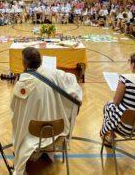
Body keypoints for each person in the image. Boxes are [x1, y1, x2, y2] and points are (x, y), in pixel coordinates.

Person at [10, 47, 82, 175]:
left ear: (25, 63)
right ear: (40, 61)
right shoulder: (55, 74)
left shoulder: (22, 85)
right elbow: (72, 80)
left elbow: (15, 113)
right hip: (57, 132)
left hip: (32, 137)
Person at [100, 53, 135, 141]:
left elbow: (116, 101)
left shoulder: (125, 78)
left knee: (109, 105)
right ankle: (110, 133)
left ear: (133, 65)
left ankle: (109, 134)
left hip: (125, 127)